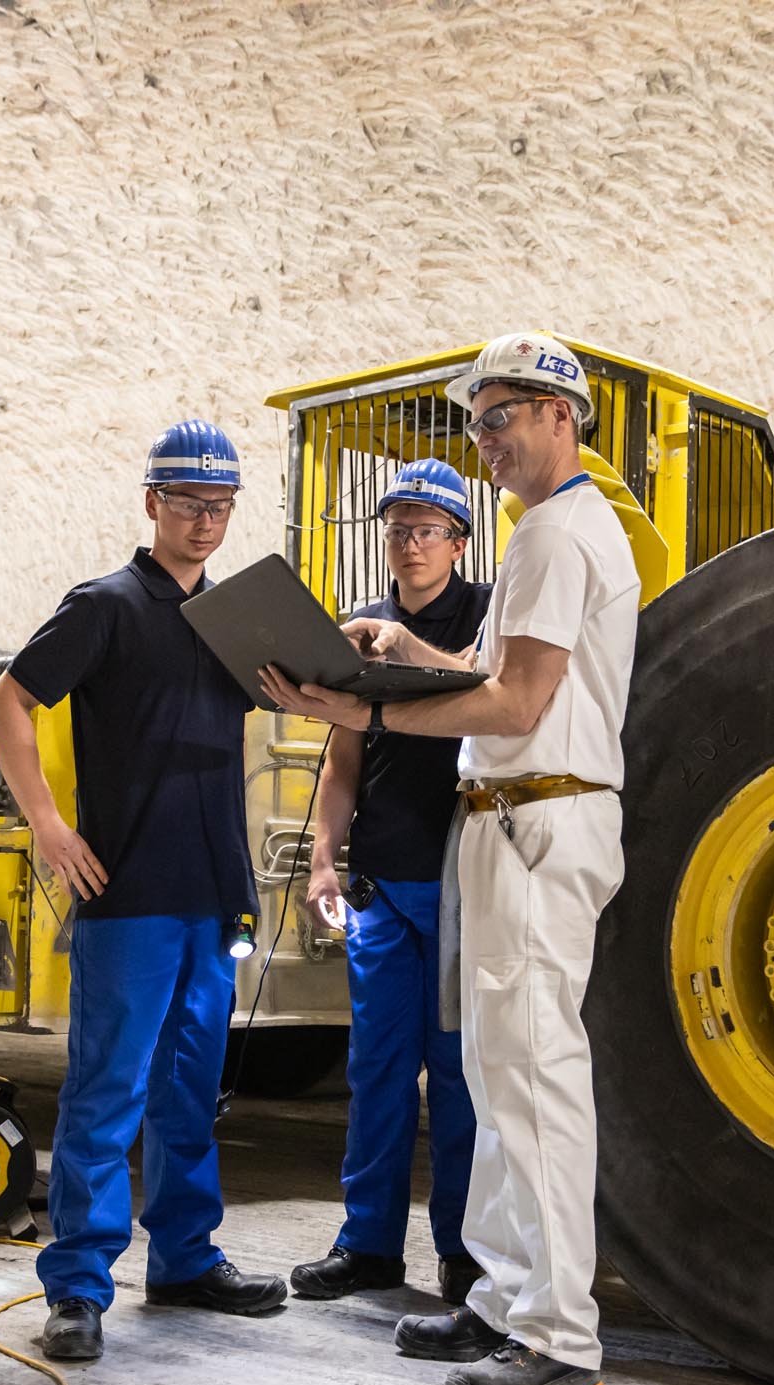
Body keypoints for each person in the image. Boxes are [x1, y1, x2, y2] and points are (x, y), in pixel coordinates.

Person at [260, 333, 637, 1385]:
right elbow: (499, 671)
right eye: (476, 421)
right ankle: (504, 1297)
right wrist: (410, 659)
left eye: (503, 413)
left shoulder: (561, 535)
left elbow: (518, 707)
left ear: (564, 416)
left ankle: (558, 1336)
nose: (486, 438)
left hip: (538, 818)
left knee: (531, 1083)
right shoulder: (542, 535)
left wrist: (361, 707)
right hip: (505, 821)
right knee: (494, 1076)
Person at [0, 418, 289, 1364]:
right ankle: (78, 1284)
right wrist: (47, 822)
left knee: (190, 1089)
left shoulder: (235, 623)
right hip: (129, 889)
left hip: (212, 892)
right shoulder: (106, 606)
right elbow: (8, 702)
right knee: (107, 1088)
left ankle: (187, 1257)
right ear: (152, 502)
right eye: (191, 502)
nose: (206, 520)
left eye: (222, 506)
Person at [289, 459, 491, 1306]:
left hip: (459, 876)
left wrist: (411, 650)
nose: (410, 544)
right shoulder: (360, 624)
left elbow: (490, 683)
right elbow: (343, 757)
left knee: (456, 1075)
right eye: (398, 529)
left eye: (427, 529)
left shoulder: (484, 611)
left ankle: (464, 1251)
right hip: (380, 878)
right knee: (376, 1071)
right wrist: (326, 854)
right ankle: (368, 1245)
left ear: (458, 540)